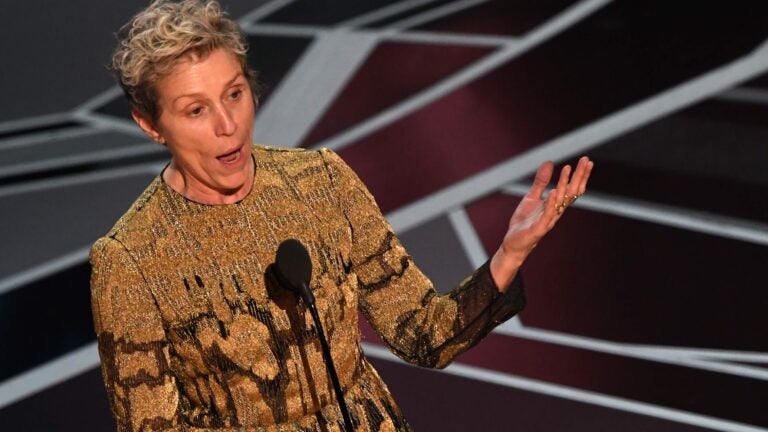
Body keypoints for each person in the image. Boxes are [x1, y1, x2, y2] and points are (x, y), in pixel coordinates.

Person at [90, 1, 594, 431]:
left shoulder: (320, 181)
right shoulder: (131, 260)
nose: (228, 124)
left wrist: (509, 254)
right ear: (150, 124)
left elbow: (423, 335)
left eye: (234, 94)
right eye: (196, 110)